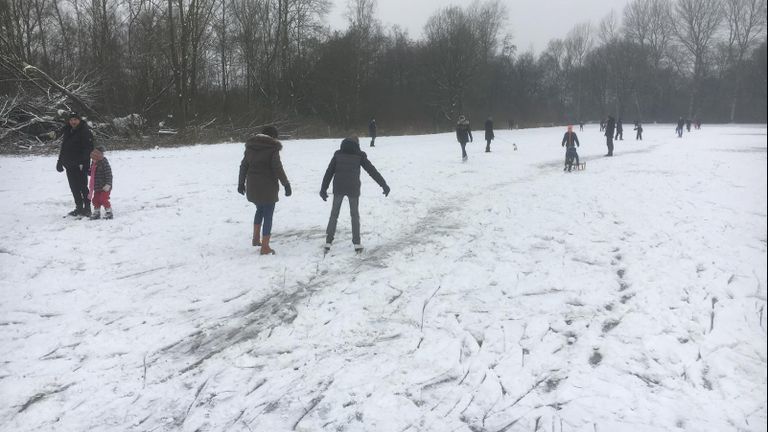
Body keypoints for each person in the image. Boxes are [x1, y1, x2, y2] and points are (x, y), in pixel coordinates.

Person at [320, 136, 390, 254]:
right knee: (354, 215)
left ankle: (328, 241)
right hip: (353, 188)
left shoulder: (337, 155)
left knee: (334, 214)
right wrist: (383, 184)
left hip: (339, 187)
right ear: (357, 144)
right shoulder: (359, 156)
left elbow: (329, 172)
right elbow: (371, 170)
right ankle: (357, 243)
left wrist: (323, 189)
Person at [238, 125, 292, 255]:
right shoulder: (272, 148)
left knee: (259, 210)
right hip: (268, 187)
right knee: (268, 213)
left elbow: (243, 166)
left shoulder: (250, 147)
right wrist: (286, 184)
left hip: (253, 186)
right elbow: (277, 168)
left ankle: (256, 239)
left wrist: (241, 183)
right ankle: (265, 247)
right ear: (273, 137)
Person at [55, 111, 94, 217]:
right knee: (74, 187)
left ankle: (87, 208)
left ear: (79, 120)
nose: (73, 122)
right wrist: (60, 162)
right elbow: (64, 147)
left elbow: (89, 148)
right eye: (71, 120)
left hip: (81, 165)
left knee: (82, 187)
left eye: (75, 120)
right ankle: (79, 207)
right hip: (69, 164)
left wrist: (83, 162)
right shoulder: (68, 130)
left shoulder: (85, 131)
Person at [88, 145, 113, 220]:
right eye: (92, 159)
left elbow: (109, 174)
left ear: (99, 157)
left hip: (105, 186)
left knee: (103, 199)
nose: (93, 160)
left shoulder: (104, 163)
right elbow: (92, 173)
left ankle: (109, 212)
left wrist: (108, 184)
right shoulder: (94, 163)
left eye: (94, 159)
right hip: (97, 186)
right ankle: (97, 212)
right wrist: (87, 171)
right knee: (95, 199)